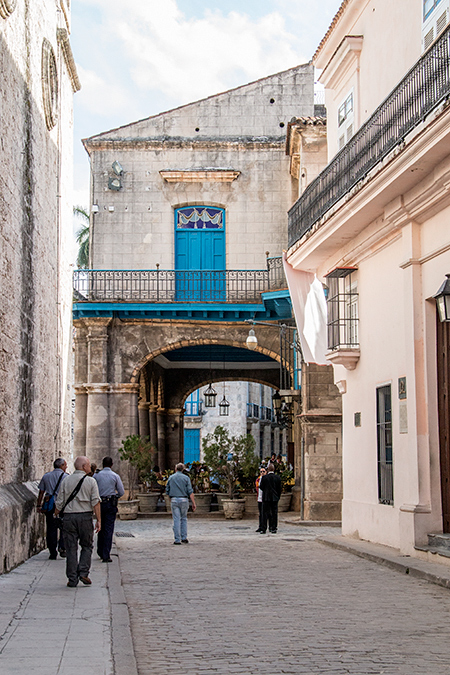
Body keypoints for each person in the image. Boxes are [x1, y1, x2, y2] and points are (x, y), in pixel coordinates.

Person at [55, 456, 101, 587]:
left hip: (69, 517)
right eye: (87, 465)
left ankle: (72, 578)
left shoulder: (66, 480)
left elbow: (60, 502)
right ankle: (83, 572)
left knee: (71, 548)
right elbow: (96, 502)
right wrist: (99, 520)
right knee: (87, 546)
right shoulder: (91, 481)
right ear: (84, 466)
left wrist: (56, 514)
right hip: (85, 517)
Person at [94, 456, 125, 562]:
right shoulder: (115, 476)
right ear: (111, 465)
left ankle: (100, 550)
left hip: (99, 503)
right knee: (108, 529)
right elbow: (121, 492)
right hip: (110, 504)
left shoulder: (96, 476)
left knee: (100, 526)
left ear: (102, 464)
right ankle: (106, 554)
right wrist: (114, 496)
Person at [36, 458, 68, 559]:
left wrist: (39, 505)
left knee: (51, 528)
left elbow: (41, 492)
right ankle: (62, 546)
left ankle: (52, 551)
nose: (66, 467)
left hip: (50, 504)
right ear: (61, 465)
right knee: (64, 527)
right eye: (65, 465)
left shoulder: (46, 476)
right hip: (62, 505)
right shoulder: (66, 477)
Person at [165, 462, 196, 544]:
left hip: (174, 499)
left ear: (175, 469)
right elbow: (190, 491)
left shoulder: (171, 478)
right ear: (183, 469)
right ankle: (184, 537)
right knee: (184, 518)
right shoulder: (186, 478)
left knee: (176, 519)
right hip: (184, 499)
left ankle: (177, 539)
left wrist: (169, 499)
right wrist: (193, 503)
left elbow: (167, 490)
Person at [258, 462, 282, 534]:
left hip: (266, 497)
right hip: (274, 498)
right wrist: (277, 496)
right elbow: (279, 488)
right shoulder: (277, 477)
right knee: (274, 513)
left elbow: (261, 487)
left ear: (268, 469)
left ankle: (264, 528)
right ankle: (273, 527)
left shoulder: (264, 478)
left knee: (265, 513)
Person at [255, 467, 267, 533]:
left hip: (264, 498)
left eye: (263, 471)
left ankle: (264, 527)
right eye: (261, 471)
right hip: (259, 497)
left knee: (264, 513)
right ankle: (260, 526)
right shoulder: (258, 479)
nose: (262, 473)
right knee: (260, 513)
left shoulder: (266, 479)